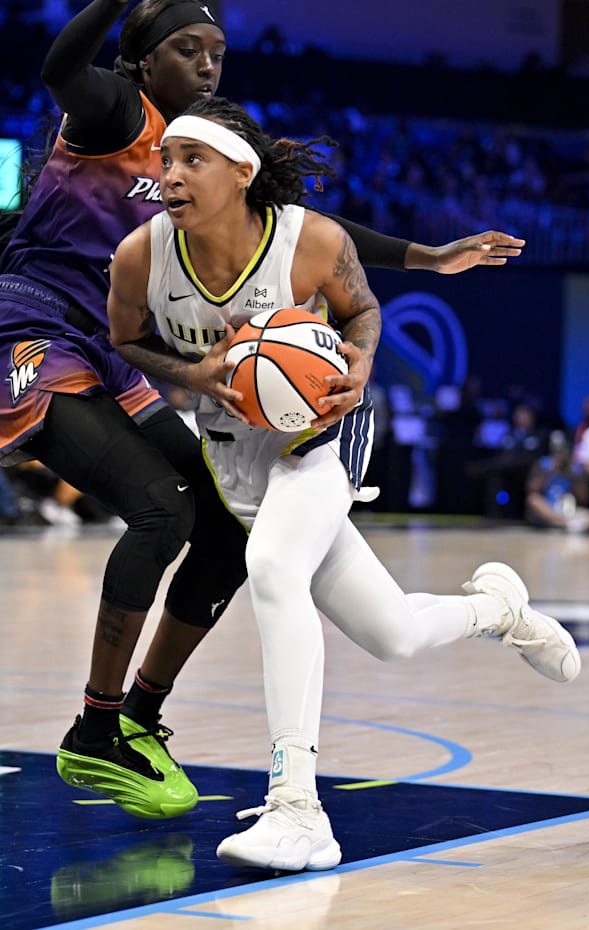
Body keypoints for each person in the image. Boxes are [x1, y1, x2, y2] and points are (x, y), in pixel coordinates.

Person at [0, 0, 527, 819]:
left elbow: (306, 227)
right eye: (187, 49)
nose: (209, 64)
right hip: (33, 329)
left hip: (112, 351)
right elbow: (61, 71)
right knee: (158, 513)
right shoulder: (114, 110)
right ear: (143, 62)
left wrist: (428, 256)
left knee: (221, 522)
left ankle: (139, 717)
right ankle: (96, 731)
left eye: (216, 51)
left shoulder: (210, 162)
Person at [107, 98, 581, 872]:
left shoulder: (308, 239)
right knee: (391, 634)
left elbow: (362, 313)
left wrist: (359, 366)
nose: (170, 175)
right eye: (166, 160)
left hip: (320, 436)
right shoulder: (141, 254)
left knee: (271, 567)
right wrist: (191, 372)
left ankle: (300, 810)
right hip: (234, 456)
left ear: (242, 172)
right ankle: (500, 609)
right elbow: (125, 337)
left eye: (193, 160)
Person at [525, 430, 589, 533]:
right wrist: (550, 472)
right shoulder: (543, 464)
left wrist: (569, 474)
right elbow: (531, 489)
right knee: (533, 499)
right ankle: (564, 525)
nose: (559, 455)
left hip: (567, 509)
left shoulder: (575, 469)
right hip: (547, 508)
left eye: (562, 451)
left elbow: (584, 498)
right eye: (557, 451)